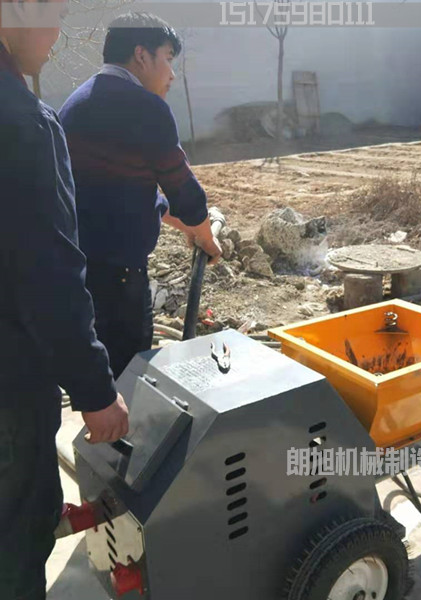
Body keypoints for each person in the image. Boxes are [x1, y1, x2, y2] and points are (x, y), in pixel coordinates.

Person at [0, 1, 130, 598]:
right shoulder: (22, 121)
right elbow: (47, 274)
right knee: (15, 541)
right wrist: (95, 391)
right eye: (54, 11)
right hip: (11, 381)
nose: (59, 32)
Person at [59, 12, 222, 379]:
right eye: (168, 58)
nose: (172, 74)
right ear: (141, 55)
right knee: (130, 376)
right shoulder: (147, 108)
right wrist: (205, 235)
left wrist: (186, 227)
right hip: (121, 279)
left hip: (78, 272)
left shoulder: (76, 104)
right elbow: (183, 190)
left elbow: (126, 191)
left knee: (95, 375)